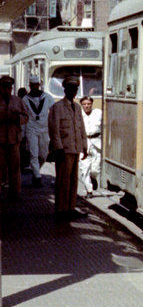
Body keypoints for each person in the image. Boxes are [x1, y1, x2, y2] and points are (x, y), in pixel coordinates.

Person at [48, 77, 88, 219]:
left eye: (75, 89)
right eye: (70, 89)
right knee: (63, 181)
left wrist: (84, 146)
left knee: (73, 181)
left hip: (75, 148)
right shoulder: (57, 107)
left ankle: (70, 208)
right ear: (65, 90)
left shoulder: (77, 107)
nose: (73, 92)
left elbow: (81, 128)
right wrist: (57, 147)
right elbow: (54, 129)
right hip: (64, 149)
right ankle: (61, 210)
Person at [1, 75, 28, 201]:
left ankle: (15, 193)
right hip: (0, 140)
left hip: (14, 140)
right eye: (4, 87)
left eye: (9, 87)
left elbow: (26, 117)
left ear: (11, 88)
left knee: (15, 168)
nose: (6, 90)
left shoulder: (18, 101)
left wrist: (17, 118)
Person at [22, 76, 52, 185]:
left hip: (44, 128)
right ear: (29, 86)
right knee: (33, 153)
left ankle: (36, 171)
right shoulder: (25, 100)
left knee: (43, 154)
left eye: (36, 85)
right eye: (32, 85)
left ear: (39, 85)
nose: (35, 87)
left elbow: (53, 111)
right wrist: (23, 134)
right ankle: (37, 177)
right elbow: (24, 117)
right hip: (31, 129)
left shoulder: (47, 97)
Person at [79, 96, 103, 196]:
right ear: (82, 105)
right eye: (84, 104)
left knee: (95, 168)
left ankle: (93, 178)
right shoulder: (78, 115)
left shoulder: (98, 113)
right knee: (84, 169)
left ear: (92, 104)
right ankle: (89, 190)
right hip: (84, 142)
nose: (87, 106)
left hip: (96, 142)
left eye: (88, 104)